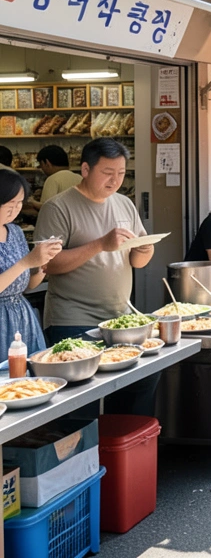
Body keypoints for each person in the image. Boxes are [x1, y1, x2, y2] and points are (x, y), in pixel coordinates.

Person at [36, 139, 155, 414]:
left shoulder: (124, 204)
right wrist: (100, 244)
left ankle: (119, 450)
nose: (115, 180)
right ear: (86, 169)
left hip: (120, 318)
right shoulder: (58, 207)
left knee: (142, 380)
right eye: (107, 172)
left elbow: (137, 262)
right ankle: (85, 455)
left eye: (122, 173)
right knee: (80, 404)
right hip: (73, 319)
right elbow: (47, 266)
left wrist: (145, 249)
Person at [0, 170, 58, 355]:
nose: (16, 209)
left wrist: (42, 265)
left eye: (19, 203)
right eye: (10, 204)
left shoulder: (14, 232)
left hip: (22, 319)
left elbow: (26, 286)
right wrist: (26, 262)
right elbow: (22, 266)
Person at [24, 146, 81, 215]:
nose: (42, 169)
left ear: (47, 163)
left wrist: (31, 201)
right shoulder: (79, 177)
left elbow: (46, 208)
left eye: (41, 165)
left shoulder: (52, 179)